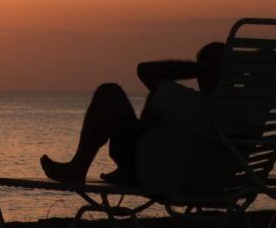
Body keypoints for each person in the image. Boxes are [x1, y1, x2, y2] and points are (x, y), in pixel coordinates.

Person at [40, 41, 226, 185]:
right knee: (156, 98)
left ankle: (78, 169)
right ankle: (124, 172)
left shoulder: (195, 103)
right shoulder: (235, 110)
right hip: (209, 181)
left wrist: (203, 69)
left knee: (109, 93)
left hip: (159, 175)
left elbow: (145, 70)